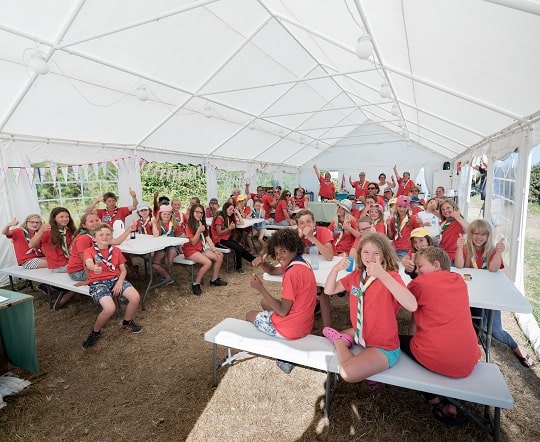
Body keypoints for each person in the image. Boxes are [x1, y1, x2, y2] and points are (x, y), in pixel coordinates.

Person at [322, 233, 417, 383]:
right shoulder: (357, 275)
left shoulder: (391, 276)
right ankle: (355, 349)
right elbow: (329, 290)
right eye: (366, 252)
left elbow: (412, 305)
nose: (370, 257)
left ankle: (340, 342)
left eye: (376, 253)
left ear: (384, 255)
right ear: (360, 254)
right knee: (348, 338)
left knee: (348, 373)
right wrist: (335, 270)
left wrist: (381, 274)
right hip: (362, 335)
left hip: (383, 346)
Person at [400, 247, 481, 424]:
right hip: (469, 359)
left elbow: (404, 299)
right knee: (439, 348)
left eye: (420, 266)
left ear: (436, 265)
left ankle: (434, 400)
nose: (417, 270)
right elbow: (430, 287)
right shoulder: (458, 280)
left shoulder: (420, 284)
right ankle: (451, 403)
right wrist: (416, 271)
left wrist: (407, 271)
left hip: (438, 357)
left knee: (395, 342)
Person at [455, 220, 535, 368]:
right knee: (477, 325)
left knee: (496, 331)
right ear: (470, 234)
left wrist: (498, 252)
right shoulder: (466, 248)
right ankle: (471, 347)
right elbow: (459, 265)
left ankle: (517, 348)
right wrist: (459, 247)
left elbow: (493, 269)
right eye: (475, 233)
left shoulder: (491, 250)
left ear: (488, 236)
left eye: (483, 234)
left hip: (490, 295)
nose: (479, 237)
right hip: (472, 296)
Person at [249, 229, 317, 373]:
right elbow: (273, 270)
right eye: (277, 253)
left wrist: (260, 287)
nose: (279, 256)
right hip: (305, 325)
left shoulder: (292, 274)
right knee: (265, 303)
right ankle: (278, 336)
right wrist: (262, 263)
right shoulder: (301, 263)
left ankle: (281, 352)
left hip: (291, 329)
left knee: (250, 315)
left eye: (283, 251)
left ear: (294, 248)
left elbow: (283, 311)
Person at [79, 223, 143, 349]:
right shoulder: (89, 251)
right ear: (94, 238)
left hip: (116, 279)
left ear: (111, 237)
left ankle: (127, 322)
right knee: (109, 309)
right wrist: (94, 267)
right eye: (101, 234)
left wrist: (119, 282)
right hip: (98, 282)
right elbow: (88, 263)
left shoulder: (116, 251)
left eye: (108, 234)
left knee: (135, 297)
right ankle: (95, 332)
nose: (105, 236)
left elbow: (123, 270)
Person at [29, 207, 77, 309]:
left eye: (67, 216)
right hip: (59, 265)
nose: (65, 219)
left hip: (69, 262)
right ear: (54, 218)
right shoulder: (48, 231)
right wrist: (41, 230)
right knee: (85, 271)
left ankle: (63, 289)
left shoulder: (67, 230)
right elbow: (31, 244)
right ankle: (67, 294)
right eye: (61, 217)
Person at [183, 203, 227, 295]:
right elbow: (193, 242)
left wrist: (215, 250)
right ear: (192, 212)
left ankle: (214, 279)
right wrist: (199, 231)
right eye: (197, 212)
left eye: (201, 213)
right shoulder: (189, 225)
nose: (199, 214)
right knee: (208, 263)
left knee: (219, 256)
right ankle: (196, 283)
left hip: (200, 248)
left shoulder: (201, 223)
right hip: (190, 250)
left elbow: (207, 238)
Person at [211, 202, 256, 274]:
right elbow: (219, 233)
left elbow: (242, 223)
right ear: (225, 209)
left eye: (233, 210)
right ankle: (238, 267)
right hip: (219, 240)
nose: (232, 211)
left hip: (226, 238)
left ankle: (253, 260)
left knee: (240, 247)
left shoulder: (230, 217)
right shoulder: (220, 218)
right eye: (230, 209)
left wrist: (238, 213)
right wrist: (229, 228)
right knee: (237, 249)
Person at [151, 205, 182, 286]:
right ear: (160, 214)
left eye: (168, 214)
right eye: (164, 214)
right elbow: (156, 235)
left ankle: (164, 276)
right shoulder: (158, 223)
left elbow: (177, 237)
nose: (166, 216)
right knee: (155, 264)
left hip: (172, 246)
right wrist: (153, 223)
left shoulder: (174, 224)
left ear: (171, 215)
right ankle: (168, 277)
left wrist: (180, 249)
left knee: (168, 260)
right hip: (161, 246)